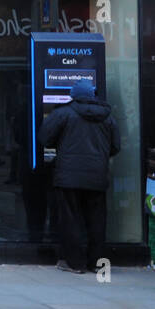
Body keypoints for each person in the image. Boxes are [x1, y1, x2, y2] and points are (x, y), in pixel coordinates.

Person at [41, 80, 119, 273]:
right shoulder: (108, 117)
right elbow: (116, 146)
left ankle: (75, 263)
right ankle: (96, 263)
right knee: (96, 222)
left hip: (68, 177)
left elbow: (44, 138)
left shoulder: (63, 113)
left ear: (73, 95)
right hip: (97, 178)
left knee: (70, 220)